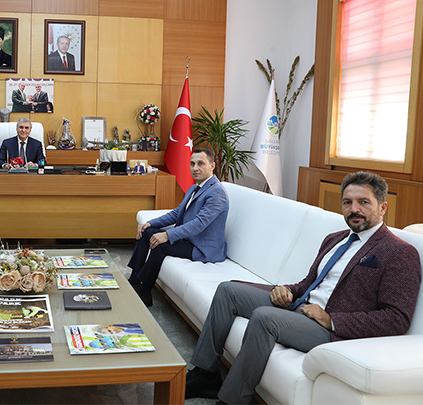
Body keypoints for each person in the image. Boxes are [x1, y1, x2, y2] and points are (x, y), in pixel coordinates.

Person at [185, 171, 421, 405]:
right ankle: (206, 375)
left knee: (265, 318)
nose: (354, 209)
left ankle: (231, 401)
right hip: (301, 306)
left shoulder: (400, 252)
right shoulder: (335, 238)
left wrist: (331, 320)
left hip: (331, 330)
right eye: (347, 202)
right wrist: (286, 290)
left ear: (382, 207)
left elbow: (396, 319)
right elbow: (309, 283)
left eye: (364, 202)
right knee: (228, 291)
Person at [128, 148, 228, 307]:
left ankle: (145, 292)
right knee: (147, 232)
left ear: (212, 166)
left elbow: (199, 224)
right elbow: (177, 213)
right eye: (192, 164)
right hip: (189, 239)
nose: (195, 168)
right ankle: (134, 280)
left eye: (200, 164)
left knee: (161, 245)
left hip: (203, 247)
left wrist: (167, 235)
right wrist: (151, 223)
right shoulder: (195, 188)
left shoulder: (217, 193)